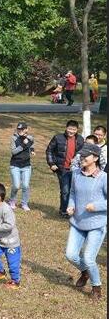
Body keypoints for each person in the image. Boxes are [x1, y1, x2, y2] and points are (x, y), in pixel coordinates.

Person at [64, 144, 107, 301]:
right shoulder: (76, 173)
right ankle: (86, 271)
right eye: (81, 156)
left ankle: (96, 287)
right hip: (77, 222)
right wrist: (71, 205)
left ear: (95, 158)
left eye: (85, 156)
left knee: (89, 258)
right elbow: (73, 193)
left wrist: (96, 206)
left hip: (96, 225)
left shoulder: (103, 178)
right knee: (70, 255)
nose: (81, 158)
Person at [46, 120, 84, 217]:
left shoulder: (80, 139)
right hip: (62, 169)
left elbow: (83, 154)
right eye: (69, 129)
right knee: (65, 191)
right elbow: (49, 150)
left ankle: (73, 210)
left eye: (73, 129)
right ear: (66, 128)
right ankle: (64, 211)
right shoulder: (58, 138)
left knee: (76, 191)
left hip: (76, 170)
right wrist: (51, 163)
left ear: (77, 130)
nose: (71, 131)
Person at [0, 183, 21, 290]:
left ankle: (15, 281)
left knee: (13, 264)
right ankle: (0, 272)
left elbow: (9, 226)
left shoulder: (6, 209)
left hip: (11, 243)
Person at [8, 122, 35, 211]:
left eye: (22, 129)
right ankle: (12, 200)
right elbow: (13, 152)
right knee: (16, 185)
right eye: (19, 129)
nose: (20, 131)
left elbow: (31, 145)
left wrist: (32, 151)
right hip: (15, 165)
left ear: (26, 129)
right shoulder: (14, 138)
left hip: (26, 166)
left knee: (25, 186)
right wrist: (23, 145)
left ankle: (24, 203)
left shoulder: (30, 138)